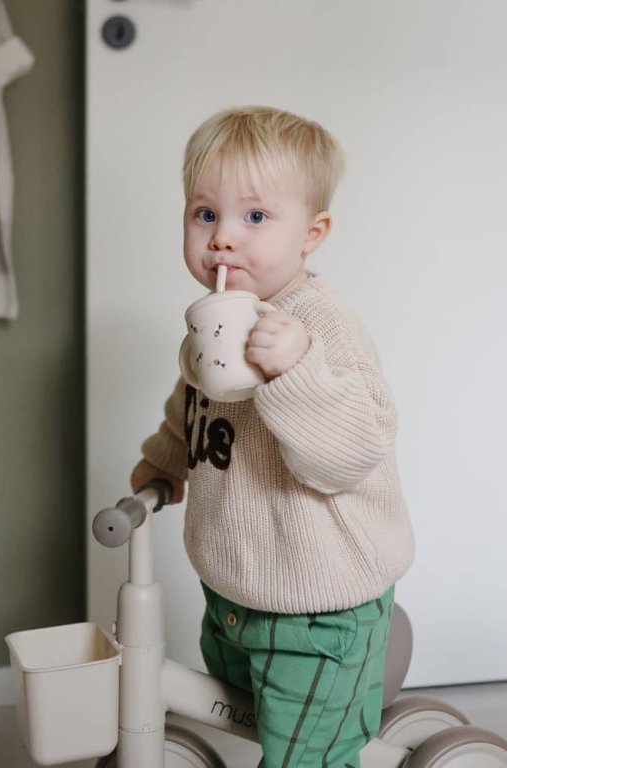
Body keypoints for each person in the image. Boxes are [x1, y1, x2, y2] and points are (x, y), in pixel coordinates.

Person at [132, 106, 415, 768]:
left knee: (303, 758)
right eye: (205, 214)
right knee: (256, 721)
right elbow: (194, 405)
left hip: (317, 607)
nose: (222, 238)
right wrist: (165, 461)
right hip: (235, 589)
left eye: (255, 217)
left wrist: (297, 370)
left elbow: (352, 453)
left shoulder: (323, 328)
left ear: (312, 233)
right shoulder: (214, 321)